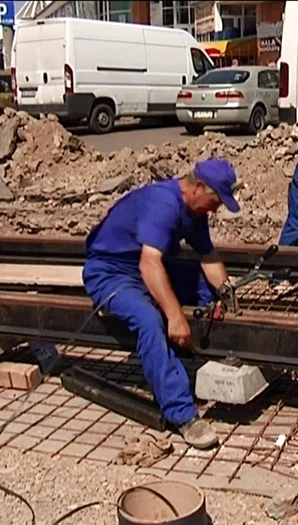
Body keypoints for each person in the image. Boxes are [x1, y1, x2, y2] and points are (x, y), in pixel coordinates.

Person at [82, 159, 242, 450]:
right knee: (150, 321)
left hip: (145, 267)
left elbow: (208, 256)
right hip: (111, 272)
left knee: (207, 289)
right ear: (197, 188)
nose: (216, 209)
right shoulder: (163, 204)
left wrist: (225, 291)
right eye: (215, 201)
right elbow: (149, 265)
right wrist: (175, 316)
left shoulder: (195, 211)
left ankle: (211, 351)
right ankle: (182, 414)